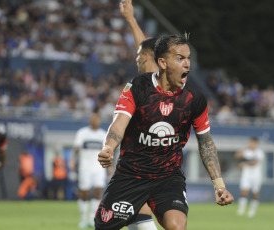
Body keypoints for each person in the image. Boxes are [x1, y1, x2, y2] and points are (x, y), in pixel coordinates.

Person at [95, 34, 234, 230]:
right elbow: (119, 124)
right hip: (131, 175)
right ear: (162, 63)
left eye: (188, 58)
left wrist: (219, 185)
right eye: (180, 58)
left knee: (177, 227)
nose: (187, 64)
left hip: (168, 177)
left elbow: (206, 142)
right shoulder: (138, 87)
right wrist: (109, 147)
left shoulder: (195, 99)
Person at [120, 1, 159, 229]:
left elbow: (145, 51)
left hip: (147, 163)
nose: (137, 56)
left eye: (140, 55)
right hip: (143, 160)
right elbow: (144, 48)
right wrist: (131, 20)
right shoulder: (149, 79)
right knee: (131, 214)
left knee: (131, 211)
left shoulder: (153, 83)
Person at [69, 109, 112, 229]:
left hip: (99, 168)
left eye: (98, 118)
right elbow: (76, 148)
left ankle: (93, 218)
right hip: (85, 168)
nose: (96, 120)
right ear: (90, 120)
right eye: (94, 118)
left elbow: (108, 152)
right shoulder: (82, 133)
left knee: (98, 192)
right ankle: (83, 219)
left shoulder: (103, 134)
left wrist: (110, 168)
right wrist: (72, 160)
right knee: (85, 193)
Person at [235, 137, 264, 218]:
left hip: (256, 176)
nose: (250, 144)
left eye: (252, 143)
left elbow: (255, 162)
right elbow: (237, 155)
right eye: (250, 142)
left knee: (255, 193)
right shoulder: (247, 151)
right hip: (246, 175)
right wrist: (245, 148)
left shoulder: (259, 152)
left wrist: (244, 164)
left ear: (256, 143)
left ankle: (252, 210)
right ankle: (241, 210)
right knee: (244, 191)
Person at [0, 113, 7, 198]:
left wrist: (1, 162)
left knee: (1, 174)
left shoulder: (0, 131)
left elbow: (2, 148)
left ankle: (5, 197)